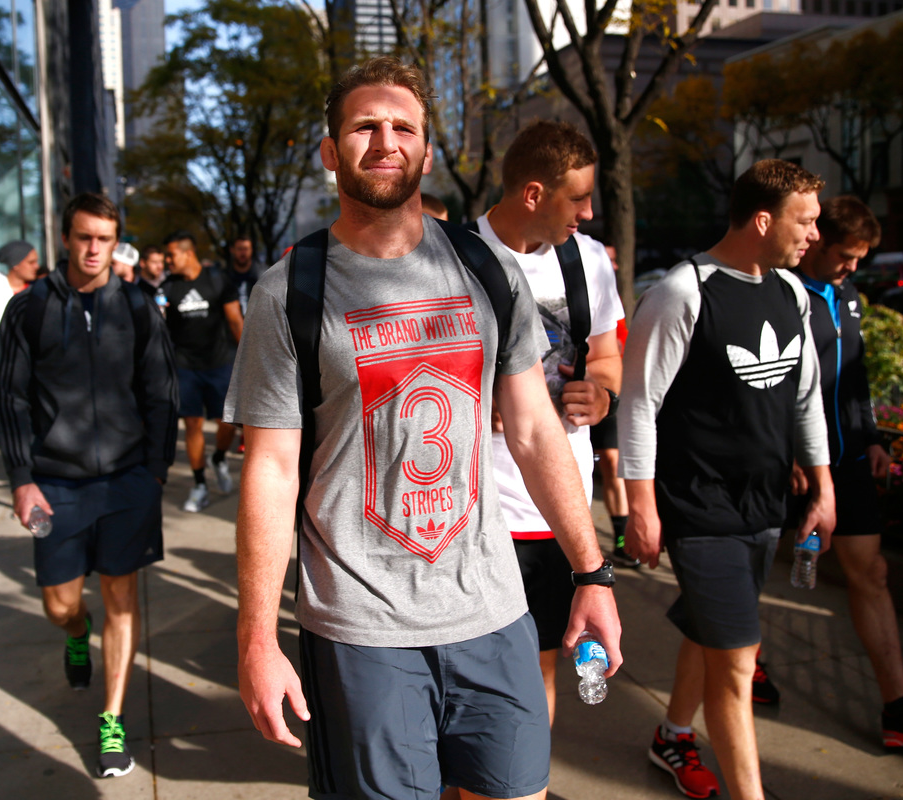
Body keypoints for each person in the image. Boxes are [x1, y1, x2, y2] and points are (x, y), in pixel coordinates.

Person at [225, 56, 622, 800]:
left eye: (402, 127)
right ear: (329, 150)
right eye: (364, 127)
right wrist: (257, 638)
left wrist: (591, 572)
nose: (385, 141)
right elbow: (270, 469)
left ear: (427, 151)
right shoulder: (289, 292)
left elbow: (535, 430)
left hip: (493, 610)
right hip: (360, 629)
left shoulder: (488, 271)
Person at [619, 159, 836, 800]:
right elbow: (639, 404)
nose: (815, 235)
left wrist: (823, 486)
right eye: (805, 221)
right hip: (700, 506)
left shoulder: (791, 292)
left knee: (712, 634)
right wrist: (641, 507)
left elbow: (807, 400)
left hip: (765, 504)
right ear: (763, 221)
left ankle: (671, 735)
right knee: (738, 663)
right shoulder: (683, 292)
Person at [771, 195, 903, 746]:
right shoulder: (782, 292)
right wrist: (787, 449)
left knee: (873, 574)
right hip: (789, 462)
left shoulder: (848, 296)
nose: (852, 267)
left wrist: (872, 437)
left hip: (847, 461)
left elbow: (855, 377)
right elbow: (769, 381)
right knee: (752, 567)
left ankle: (899, 708)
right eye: (846, 255)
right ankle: (746, 662)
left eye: (860, 259)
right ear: (818, 241)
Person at [0, 192, 179, 779]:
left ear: (115, 242)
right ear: (65, 238)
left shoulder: (138, 305)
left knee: (121, 597)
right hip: (56, 485)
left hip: (127, 481)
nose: (94, 249)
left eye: (104, 239)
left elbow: (162, 391)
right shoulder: (29, 309)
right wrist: (21, 480)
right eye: (84, 237)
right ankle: (77, 635)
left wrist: (156, 471)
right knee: (61, 604)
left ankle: (112, 720)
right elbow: (10, 398)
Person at [474, 118, 623, 726]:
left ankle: (525, 773)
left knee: (539, 669)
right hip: (476, 514)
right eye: (578, 198)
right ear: (534, 194)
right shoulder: (457, 258)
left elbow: (607, 357)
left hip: (558, 511)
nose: (587, 212)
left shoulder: (588, 261)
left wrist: (602, 393)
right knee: (474, 674)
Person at [162, 231, 244, 512]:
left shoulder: (217, 280)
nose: (167, 260)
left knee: (227, 422)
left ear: (188, 253)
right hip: (185, 366)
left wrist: (249, 359)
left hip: (219, 362)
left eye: (171, 255)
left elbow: (235, 321)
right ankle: (199, 485)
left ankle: (219, 457)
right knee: (192, 424)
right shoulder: (168, 288)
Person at [591, 243, 637, 568]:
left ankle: (621, 539)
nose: (614, 266)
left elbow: (618, 346)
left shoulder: (611, 298)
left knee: (611, 461)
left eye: (614, 260)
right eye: (608, 260)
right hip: (570, 391)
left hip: (608, 393)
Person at [0, 240, 39, 416]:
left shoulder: (40, 293)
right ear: (16, 265)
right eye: (31, 262)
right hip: (7, 381)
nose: (36, 266)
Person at [224, 235, 267, 316]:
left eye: (246, 249)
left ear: (252, 250)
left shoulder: (264, 275)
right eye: (239, 249)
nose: (243, 253)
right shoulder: (224, 277)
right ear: (232, 250)